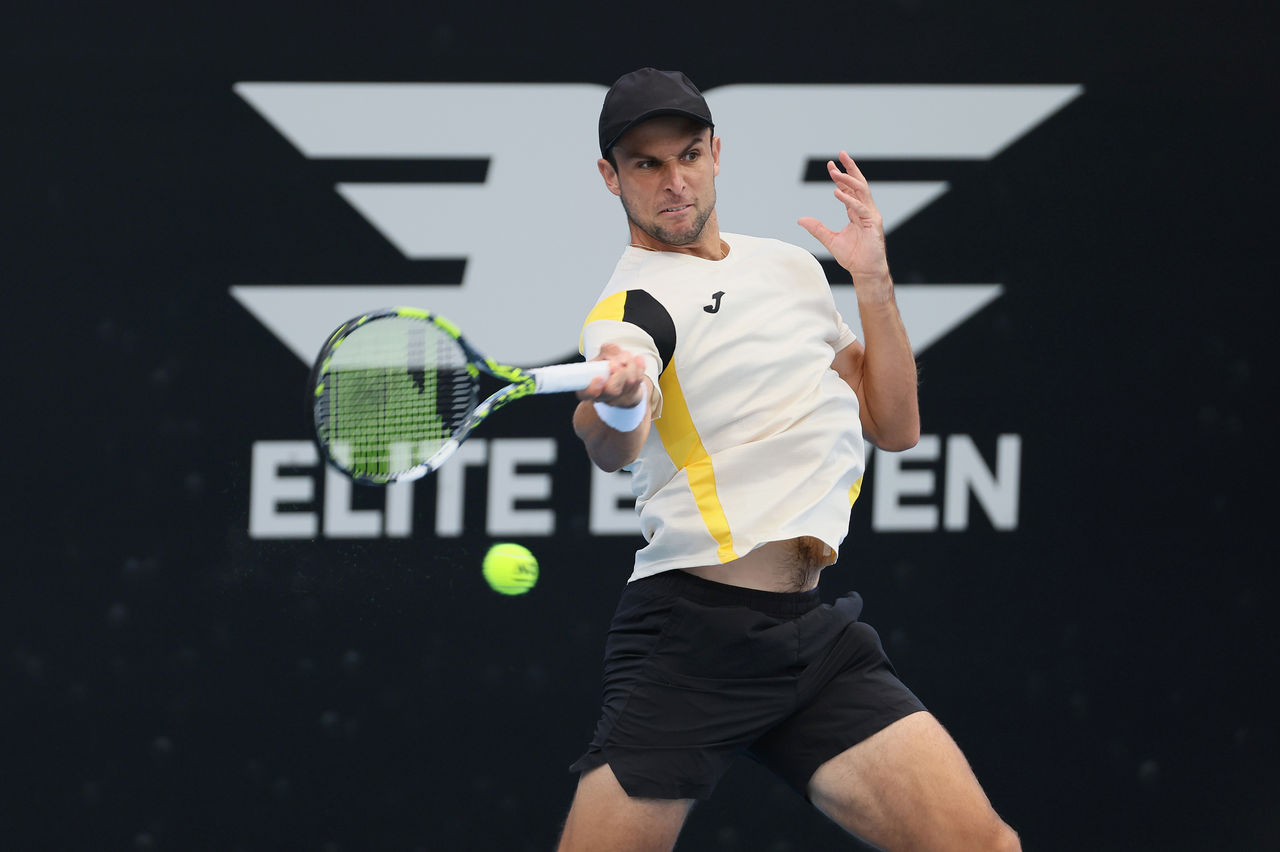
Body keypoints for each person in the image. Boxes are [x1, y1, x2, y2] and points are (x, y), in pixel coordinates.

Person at [558, 68, 1019, 852]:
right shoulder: (630, 309)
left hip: (809, 636)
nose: (674, 182)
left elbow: (895, 423)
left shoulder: (788, 268)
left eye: (689, 156)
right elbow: (609, 446)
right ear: (611, 177)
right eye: (645, 163)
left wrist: (871, 279)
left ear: (715, 154)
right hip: (692, 640)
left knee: (981, 847)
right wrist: (623, 401)